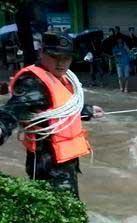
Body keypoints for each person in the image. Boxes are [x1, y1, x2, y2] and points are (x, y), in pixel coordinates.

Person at [0, 31, 105, 195]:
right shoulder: (33, 83)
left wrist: (86, 110)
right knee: (57, 214)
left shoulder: (61, 77)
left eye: (66, 58)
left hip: (65, 162)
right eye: (54, 57)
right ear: (41, 53)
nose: (61, 63)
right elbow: (12, 111)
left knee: (69, 213)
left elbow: (58, 107)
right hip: (47, 167)